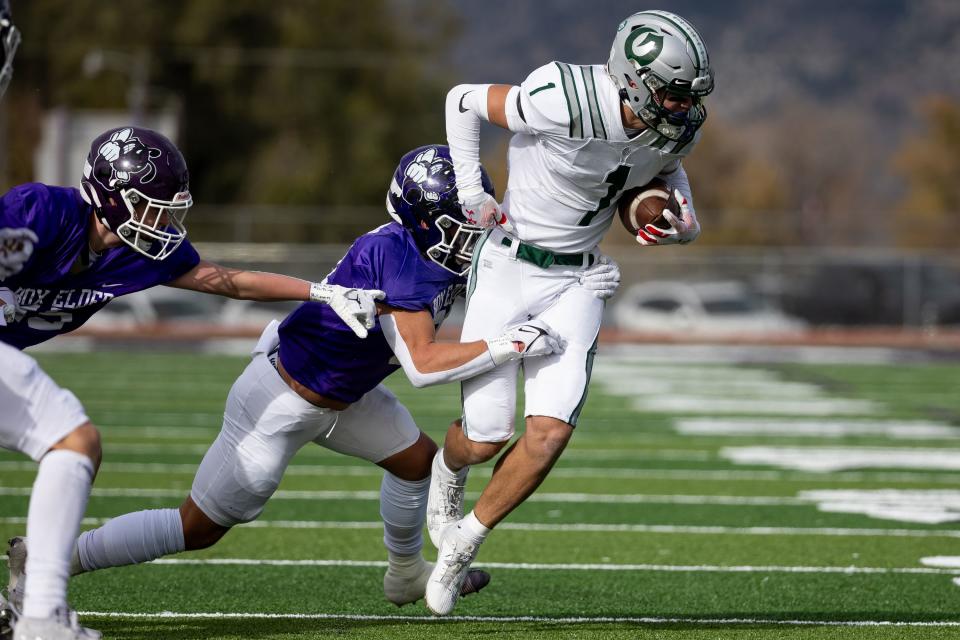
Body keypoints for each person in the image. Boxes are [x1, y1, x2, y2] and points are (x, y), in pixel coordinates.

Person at [2, 144, 607, 613]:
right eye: (459, 223)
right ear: (425, 222)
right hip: (283, 399)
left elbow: (524, 246)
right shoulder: (399, 258)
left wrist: (579, 275)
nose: (472, 233)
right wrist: (510, 344)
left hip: (348, 392)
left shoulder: (441, 248)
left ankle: (406, 576)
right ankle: (54, 559)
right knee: (200, 527)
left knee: (415, 461)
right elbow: (423, 366)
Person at [0, 123, 382, 639]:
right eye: (153, 207)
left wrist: (320, 291)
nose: (165, 222)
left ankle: (34, 606)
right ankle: (40, 614)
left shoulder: (137, 252)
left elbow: (225, 281)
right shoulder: (42, 212)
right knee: (74, 442)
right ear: (112, 200)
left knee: (74, 444)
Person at [424, 9, 714, 615]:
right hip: (508, 263)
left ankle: (461, 547)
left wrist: (681, 221)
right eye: (672, 93)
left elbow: (664, 170)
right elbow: (462, 100)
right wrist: (474, 193)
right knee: (485, 437)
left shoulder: (675, 126)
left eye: (688, 96)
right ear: (633, 80)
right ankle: (447, 472)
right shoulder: (563, 95)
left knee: (549, 432)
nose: (682, 108)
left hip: (581, 278)